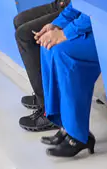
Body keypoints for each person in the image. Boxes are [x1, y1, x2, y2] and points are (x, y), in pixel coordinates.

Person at [35, 5, 100, 158]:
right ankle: (66, 124)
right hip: (92, 24)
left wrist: (65, 33)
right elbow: (79, 3)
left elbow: (99, 5)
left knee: (62, 52)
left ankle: (77, 135)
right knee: (47, 47)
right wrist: (57, 25)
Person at [15, 1, 71, 132]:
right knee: (19, 20)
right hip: (64, 3)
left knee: (24, 34)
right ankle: (46, 93)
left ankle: (50, 109)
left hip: (77, 8)